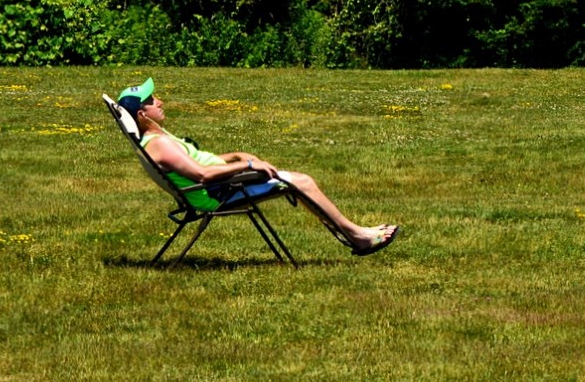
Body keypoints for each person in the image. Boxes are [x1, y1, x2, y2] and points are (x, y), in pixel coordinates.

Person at [116, 77, 398, 257]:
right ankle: (358, 236)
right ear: (142, 114)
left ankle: (353, 233)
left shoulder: (158, 139)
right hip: (221, 192)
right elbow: (202, 174)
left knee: (298, 182)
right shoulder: (160, 145)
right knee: (301, 181)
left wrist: (235, 156)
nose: (161, 101)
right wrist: (247, 164)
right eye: (153, 101)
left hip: (221, 185)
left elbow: (201, 162)